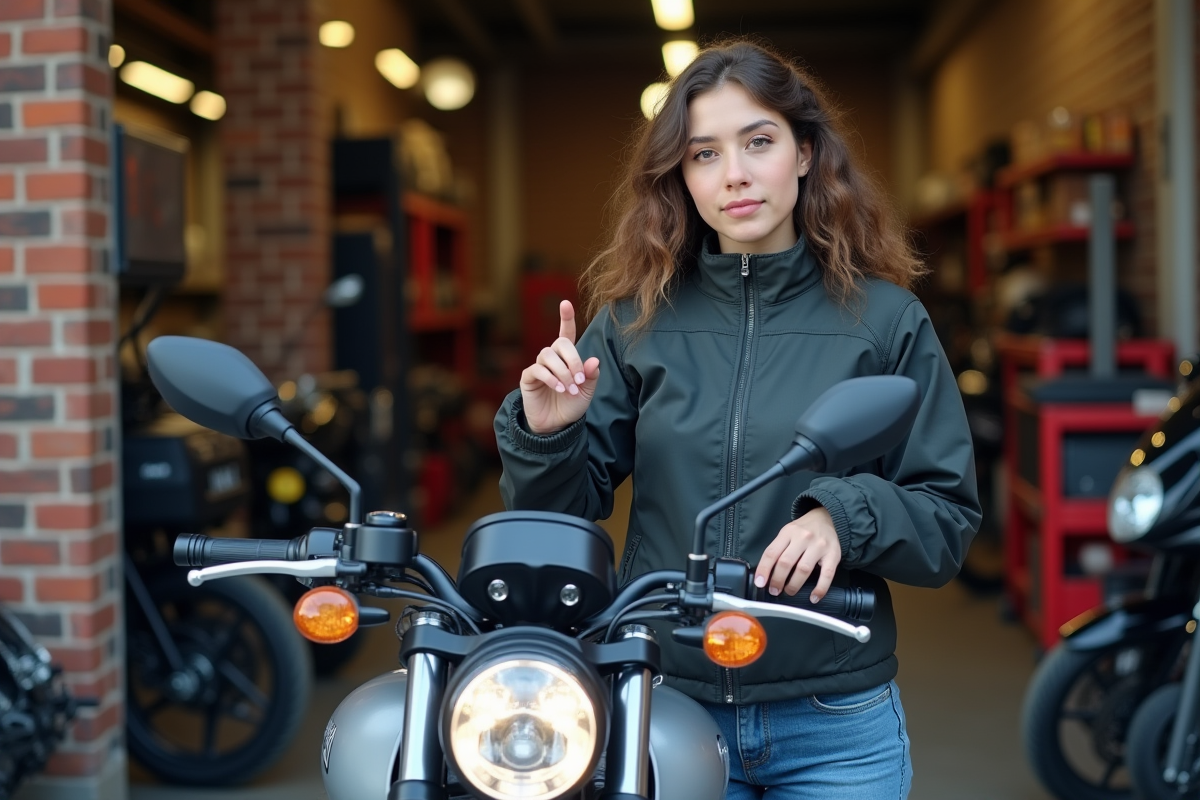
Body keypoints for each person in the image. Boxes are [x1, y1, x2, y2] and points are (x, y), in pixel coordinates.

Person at [493, 39, 980, 800]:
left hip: (834, 721)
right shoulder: (635, 321)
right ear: (680, 178)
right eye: (704, 155)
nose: (736, 175)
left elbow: (946, 522)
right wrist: (548, 432)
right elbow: (560, 523)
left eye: (759, 142)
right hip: (663, 702)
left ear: (806, 152)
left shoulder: (887, 321)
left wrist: (841, 515)